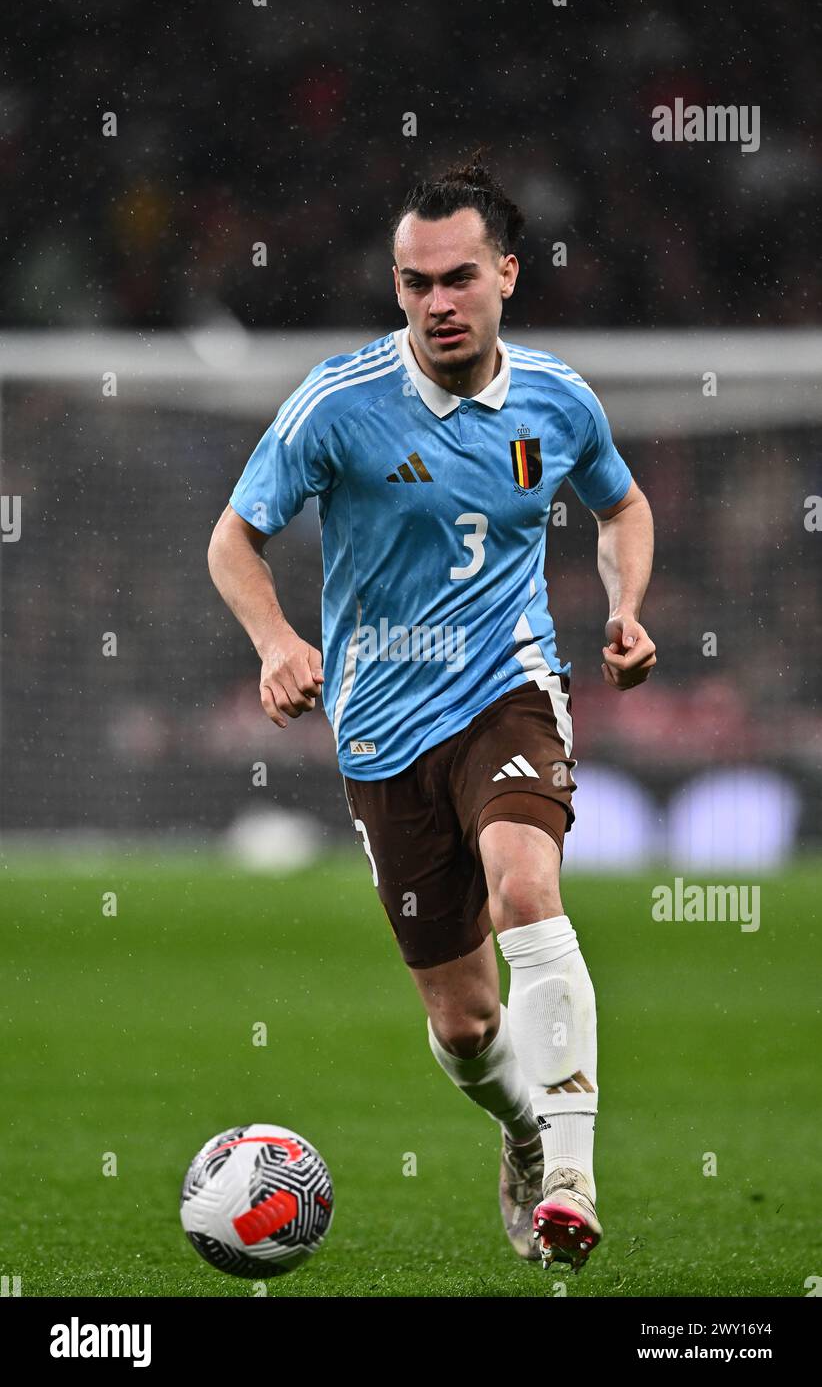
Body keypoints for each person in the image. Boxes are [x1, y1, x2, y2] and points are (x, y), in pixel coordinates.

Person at [207, 152, 656, 1273]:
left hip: (507, 688)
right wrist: (276, 644)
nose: (437, 302)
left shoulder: (558, 398)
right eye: (415, 283)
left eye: (459, 277)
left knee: (528, 887)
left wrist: (627, 607)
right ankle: (517, 1129)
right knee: (463, 1024)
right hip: (380, 726)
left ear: (507, 272)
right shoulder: (338, 404)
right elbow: (233, 540)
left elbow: (623, 502)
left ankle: (569, 1174)